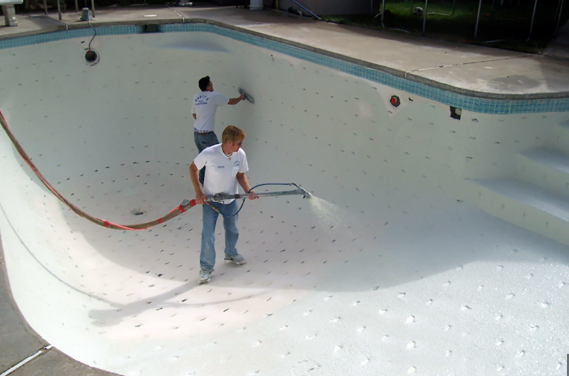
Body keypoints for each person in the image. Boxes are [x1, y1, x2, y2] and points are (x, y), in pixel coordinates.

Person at [189, 125, 258, 284]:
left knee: (232, 229)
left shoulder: (239, 154)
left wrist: (248, 190)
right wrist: (198, 193)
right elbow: (192, 168)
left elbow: (240, 175)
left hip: (230, 200)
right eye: (239, 143)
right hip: (210, 202)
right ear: (229, 142)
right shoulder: (209, 153)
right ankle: (206, 268)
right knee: (208, 235)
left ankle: (231, 253)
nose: (241, 146)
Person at [192, 76, 246, 185]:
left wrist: (203, 120)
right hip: (207, 135)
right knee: (220, 156)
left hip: (197, 134)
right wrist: (241, 97)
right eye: (211, 84)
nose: (212, 85)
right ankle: (219, 182)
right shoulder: (214, 96)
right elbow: (231, 101)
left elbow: (194, 115)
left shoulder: (196, 97)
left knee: (204, 159)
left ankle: (203, 183)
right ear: (208, 86)